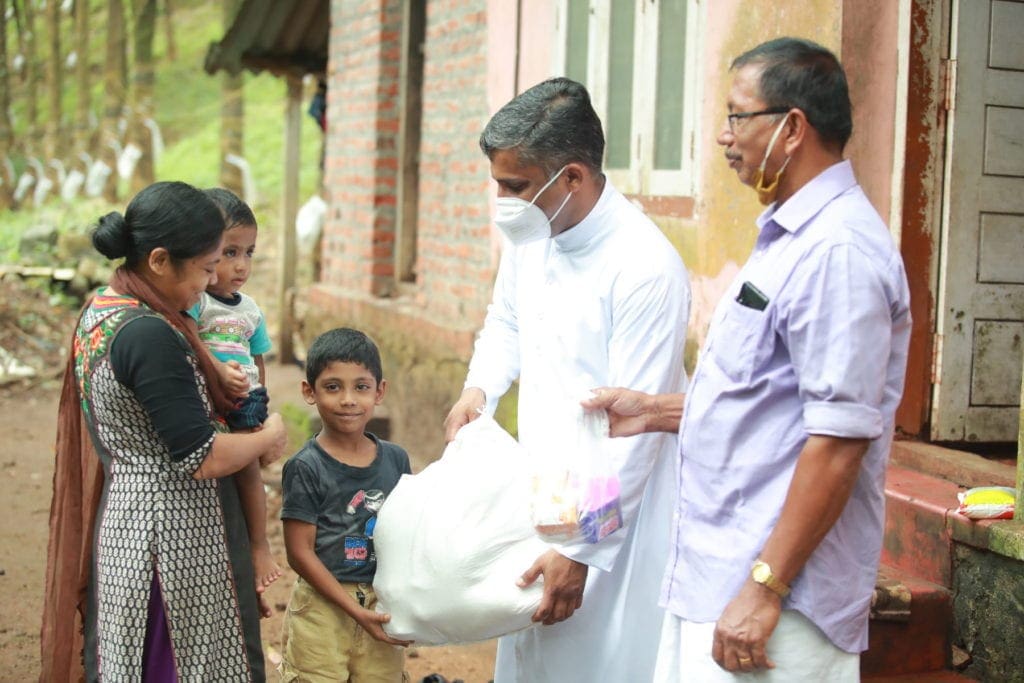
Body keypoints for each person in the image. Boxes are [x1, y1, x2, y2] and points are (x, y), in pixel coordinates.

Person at [583, 38, 912, 681]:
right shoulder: (789, 236)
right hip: (720, 578)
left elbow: (839, 441)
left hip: (777, 607)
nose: (723, 137)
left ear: (792, 128)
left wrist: (766, 587)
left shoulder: (837, 253)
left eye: (738, 117)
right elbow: (763, 400)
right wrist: (654, 411)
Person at [443, 77, 690, 682]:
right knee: (531, 651)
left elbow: (634, 437)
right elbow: (505, 319)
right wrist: (481, 389)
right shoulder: (535, 233)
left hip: (616, 511)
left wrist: (581, 549)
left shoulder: (644, 267)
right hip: (546, 482)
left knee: (599, 658)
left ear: (572, 176)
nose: (501, 199)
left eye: (514, 185)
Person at [42, 181, 288, 681]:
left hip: (130, 526)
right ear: (158, 260)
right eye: (204, 268)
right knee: (174, 664)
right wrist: (268, 437)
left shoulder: (104, 310)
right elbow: (201, 456)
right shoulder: (149, 334)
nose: (210, 281)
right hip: (170, 541)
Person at [279, 327, 413, 681]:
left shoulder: (396, 461)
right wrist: (351, 609)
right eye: (333, 386)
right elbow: (299, 553)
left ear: (379, 391)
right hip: (323, 607)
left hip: (382, 602)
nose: (349, 399)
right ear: (309, 391)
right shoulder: (306, 466)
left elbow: (410, 532)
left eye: (361, 387)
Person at [189, 187, 282, 594]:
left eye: (249, 253)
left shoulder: (251, 309)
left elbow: (257, 360)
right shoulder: (196, 302)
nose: (241, 265)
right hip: (209, 395)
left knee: (247, 469)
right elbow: (189, 341)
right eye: (229, 253)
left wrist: (262, 407)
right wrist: (216, 372)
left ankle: (259, 545)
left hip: (246, 398)